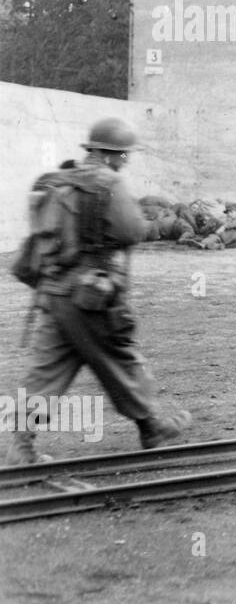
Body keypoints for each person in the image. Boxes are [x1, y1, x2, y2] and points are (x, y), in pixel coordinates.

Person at [4, 118, 190, 465]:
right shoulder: (110, 184)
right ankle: (151, 428)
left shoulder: (58, 181)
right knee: (122, 358)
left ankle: (21, 446)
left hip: (52, 295)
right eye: (124, 155)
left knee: (45, 371)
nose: (125, 161)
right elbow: (131, 231)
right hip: (91, 298)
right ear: (113, 154)